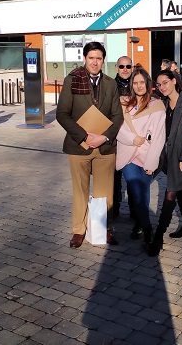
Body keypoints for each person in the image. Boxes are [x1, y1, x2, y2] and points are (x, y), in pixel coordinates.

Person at [56, 41, 124, 248]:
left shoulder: (111, 83)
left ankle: (104, 228)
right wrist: (84, 136)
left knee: (105, 193)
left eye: (99, 58)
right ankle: (78, 230)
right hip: (79, 146)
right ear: (84, 58)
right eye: (91, 58)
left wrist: (103, 137)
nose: (95, 62)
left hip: (104, 147)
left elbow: (117, 116)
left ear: (104, 60)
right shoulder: (71, 80)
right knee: (80, 191)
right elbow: (62, 114)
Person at [148, 69, 182, 257]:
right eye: (159, 84)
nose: (162, 87)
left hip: (180, 158)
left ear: (174, 81)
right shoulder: (163, 105)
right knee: (180, 190)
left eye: (165, 82)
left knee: (170, 193)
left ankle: (158, 235)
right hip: (167, 157)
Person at [116, 67, 166, 248]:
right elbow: (118, 128)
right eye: (135, 83)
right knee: (135, 188)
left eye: (141, 82)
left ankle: (139, 222)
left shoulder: (157, 106)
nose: (138, 86)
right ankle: (148, 229)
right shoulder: (123, 103)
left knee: (143, 191)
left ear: (148, 84)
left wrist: (152, 163)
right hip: (128, 154)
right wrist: (133, 138)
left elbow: (159, 137)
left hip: (147, 156)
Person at [113, 56, 134, 219]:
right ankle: (114, 210)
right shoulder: (109, 86)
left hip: (133, 141)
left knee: (133, 179)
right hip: (114, 139)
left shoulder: (138, 85)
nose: (125, 69)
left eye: (128, 66)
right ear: (116, 68)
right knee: (114, 179)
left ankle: (136, 213)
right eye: (122, 66)